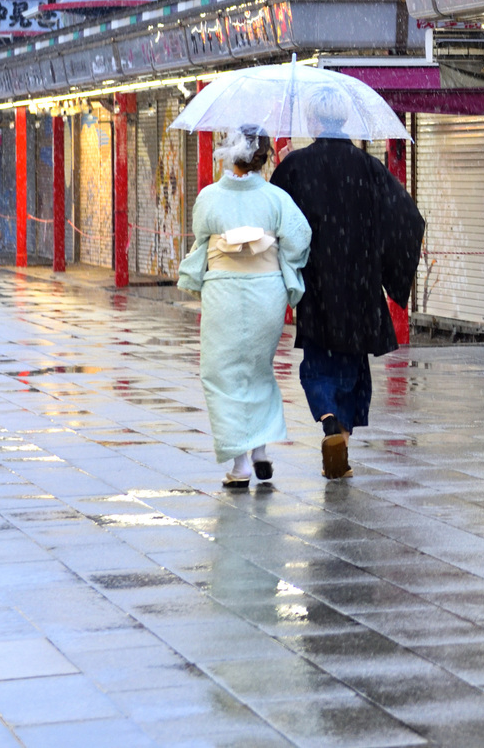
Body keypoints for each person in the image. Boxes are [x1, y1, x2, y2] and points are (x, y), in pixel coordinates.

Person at [271, 89, 424, 479]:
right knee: (353, 365)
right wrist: (390, 272)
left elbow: (275, 223)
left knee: (319, 360)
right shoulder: (368, 167)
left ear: (313, 122)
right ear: (344, 120)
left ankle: (327, 420)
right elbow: (408, 217)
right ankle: (341, 438)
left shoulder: (295, 167)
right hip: (359, 284)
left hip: (316, 282)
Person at [178, 125, 312, 489]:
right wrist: (272, 252)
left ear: (229, 154)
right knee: (258, 369)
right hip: (266, 291)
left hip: (223, 291)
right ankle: (261, 451)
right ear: (264, 158)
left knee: (221, 375)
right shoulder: (275, 198)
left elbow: (201, 237)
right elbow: (300, 239)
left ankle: (239, 465)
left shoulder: (209, 197)